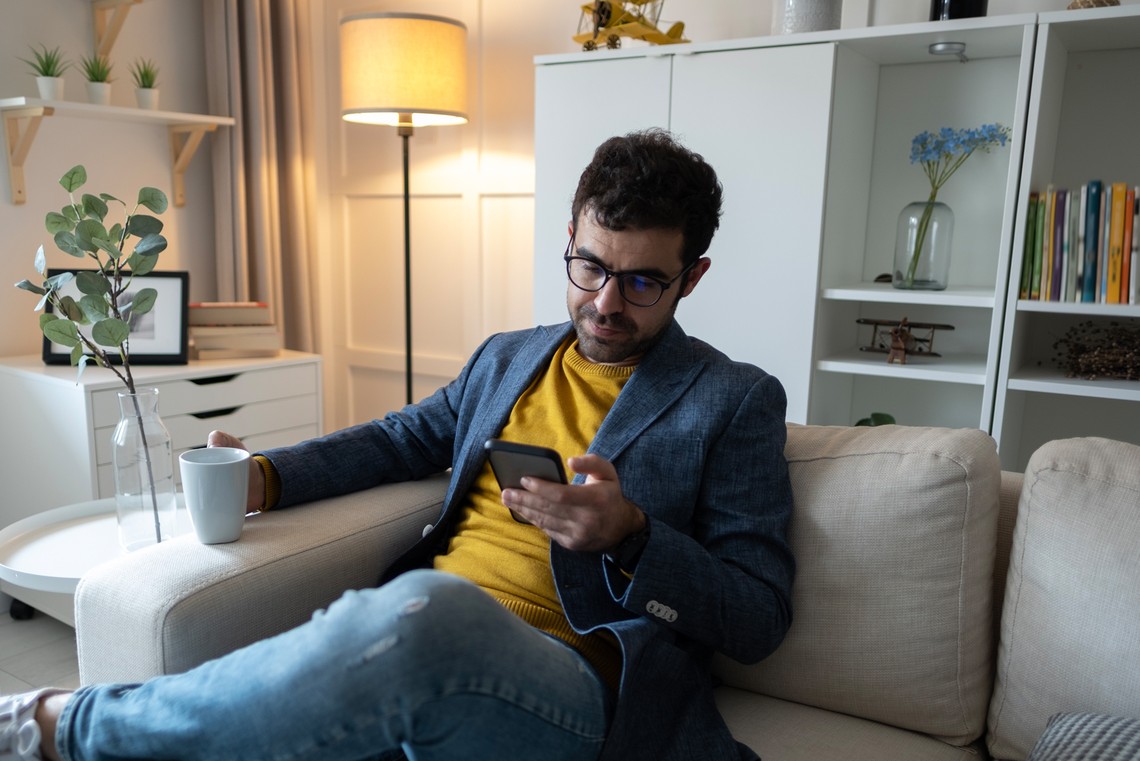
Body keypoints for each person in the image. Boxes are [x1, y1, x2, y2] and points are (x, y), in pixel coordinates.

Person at [2, 128, 794, 761]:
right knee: (387, 631)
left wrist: (632, 536)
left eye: (643, 282)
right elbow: (399, 439)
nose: (607, 302)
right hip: (416, 652)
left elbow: (757, 616)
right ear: (569, 238)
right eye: (590, 266)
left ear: (693, 277)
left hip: (577, 687)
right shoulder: (507, 356)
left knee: (429, 613)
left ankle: (62, 726)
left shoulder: (734, 398)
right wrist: (265, 476)